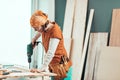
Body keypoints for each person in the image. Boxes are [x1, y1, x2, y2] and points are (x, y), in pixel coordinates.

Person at [29, 10, 72, 80]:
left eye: (36, 28)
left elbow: (51, 52)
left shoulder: (55, 31)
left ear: (43, 25)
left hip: (62, 65)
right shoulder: (44, 29)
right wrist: (34, 39)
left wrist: (41, 68)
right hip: (53, 65)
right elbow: (40, 32)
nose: (35, 30)